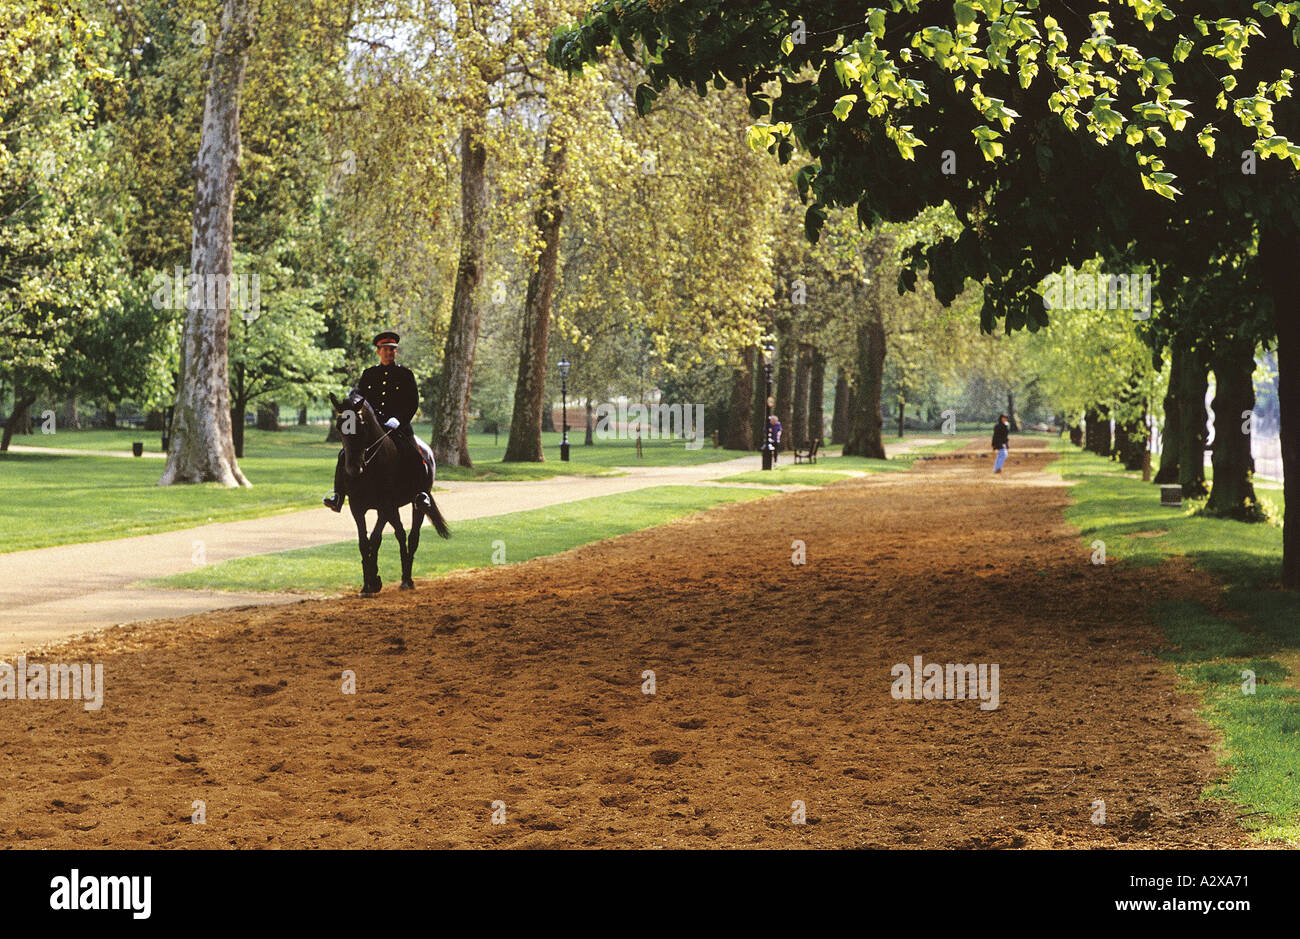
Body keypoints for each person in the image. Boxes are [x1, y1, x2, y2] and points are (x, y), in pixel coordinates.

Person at [323, 331, 434, 513]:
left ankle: (421, 494)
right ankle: (338, 495)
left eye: (392, 350)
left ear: (396, 352)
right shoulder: (369, 374)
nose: (389, 353)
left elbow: (412, 402)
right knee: (345, 453)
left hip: (398, 426)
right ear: (378, 352)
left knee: (413, 453)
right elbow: (358, 394)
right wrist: (354, 396)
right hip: (373, 426)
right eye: (385, 350)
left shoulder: (405, 374)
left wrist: (398, 420)